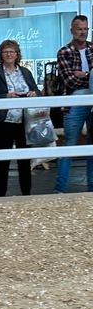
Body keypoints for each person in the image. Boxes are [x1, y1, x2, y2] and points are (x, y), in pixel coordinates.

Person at [0, 39, 38, 197]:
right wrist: (6, 96)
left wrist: (33, 93)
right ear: (1, 54)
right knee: (2, 160)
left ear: (17, 54)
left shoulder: (25, 72)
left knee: (24, 160)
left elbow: (36, 90)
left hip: (24, 121)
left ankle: (26, 194)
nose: (8, 54)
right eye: (5, 51)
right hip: (4, 121)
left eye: (11, 51)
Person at [54, 15, 93, 193]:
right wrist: (90, 75)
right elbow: (69, 81)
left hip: (90, 99)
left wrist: (83, 74)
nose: (83, 32)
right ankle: (59, 189)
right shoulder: (64, 52)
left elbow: (77, 77)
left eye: (85, 29)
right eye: (79, 29)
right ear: (72, 30)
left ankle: (91, 187)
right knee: (69, 144)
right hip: (74, 100)